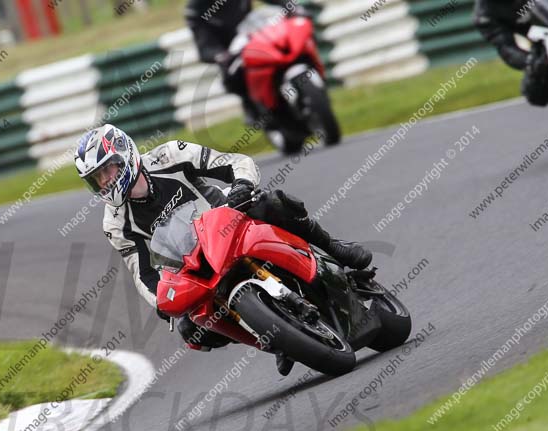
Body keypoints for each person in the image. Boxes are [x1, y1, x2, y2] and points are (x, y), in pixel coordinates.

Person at [75, 124, 372, 375]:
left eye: (107, 170)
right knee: (192, 329)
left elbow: (234, 162)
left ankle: (333, 246)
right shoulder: (115, 223)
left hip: (229, 220)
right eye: (96, 179)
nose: (105, 181)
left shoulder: (170, 155)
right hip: (194, 264)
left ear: (124, 154)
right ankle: (278, 335)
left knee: (273, 203)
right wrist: (162, 303)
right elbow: (142, 272)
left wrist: (242, 183)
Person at [185, 0, 303, 123]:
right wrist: (219, 55)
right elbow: (203, 43)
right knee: (233, 75)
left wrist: (290, 6)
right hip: (230, 50)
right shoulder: (195, 9)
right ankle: (255, 109)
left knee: (288, 39)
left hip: (255, 34)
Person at [473, 0, 548, 106]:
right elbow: (507, 49)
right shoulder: (484, 15)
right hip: (544, 46)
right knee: (533, 90)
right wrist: (530, 62)